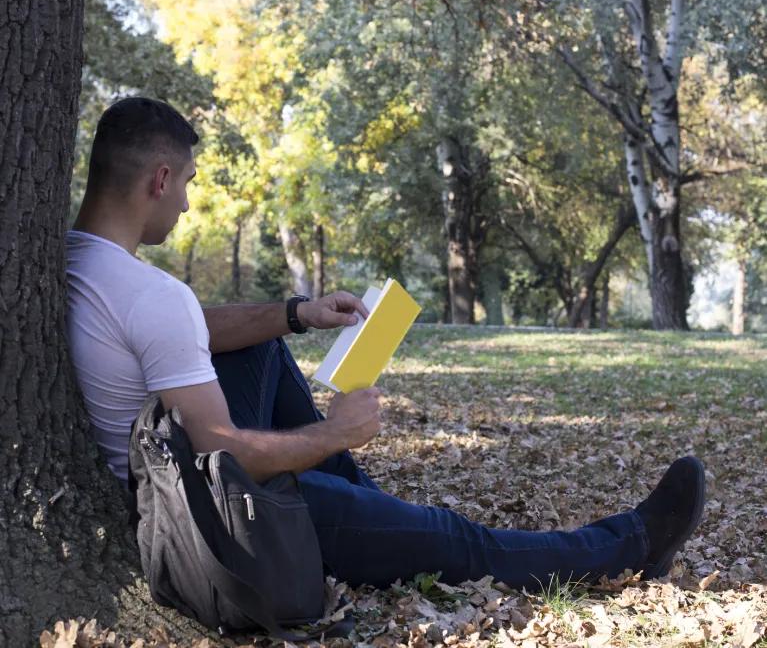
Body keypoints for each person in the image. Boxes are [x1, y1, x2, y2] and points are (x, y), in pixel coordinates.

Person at [65, 96, 705, 592]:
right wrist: (335, 433)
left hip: (150, 488)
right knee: (452, 539)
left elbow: (188, 329)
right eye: (187, 183)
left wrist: (297, 313)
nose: (184, 201)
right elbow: (220, 454)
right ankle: (633, 544)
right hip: (216, 521)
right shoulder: (154, 296)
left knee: (260, 345)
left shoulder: (72, 262)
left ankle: (372, 518)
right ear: (160, 178)